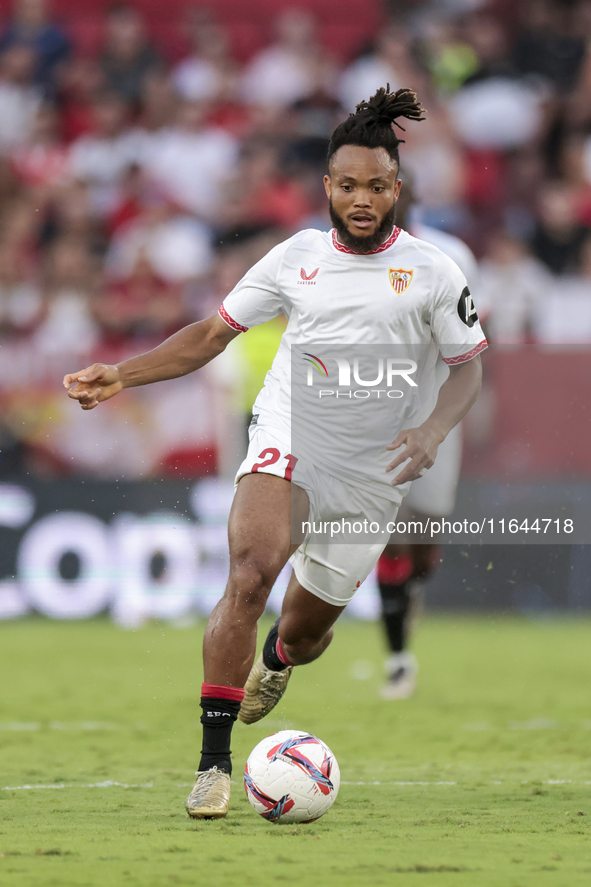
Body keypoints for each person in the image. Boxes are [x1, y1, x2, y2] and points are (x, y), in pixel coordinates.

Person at [63, 86, 487, 820]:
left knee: (305, 629)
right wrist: (121, 373)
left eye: (376, 186)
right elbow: (210, 333)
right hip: (289, 430)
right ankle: (212, 763)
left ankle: (279, 661)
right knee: (250, 571)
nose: (361, 199)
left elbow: (469, 365)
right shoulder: (295, 257)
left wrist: (431, 431)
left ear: (396, 189)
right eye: (347, 184)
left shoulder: (432, 271)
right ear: (327, 186)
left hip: (373, 468)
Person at [374, 172, 481, 700]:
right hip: (375, 415)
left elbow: (477, 336)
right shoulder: (344, 257)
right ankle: (397, 657)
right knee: (388, 533)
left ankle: (412, 587)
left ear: (410, 197)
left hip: (438, 410)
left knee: (425, 533)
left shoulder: (451, 254)